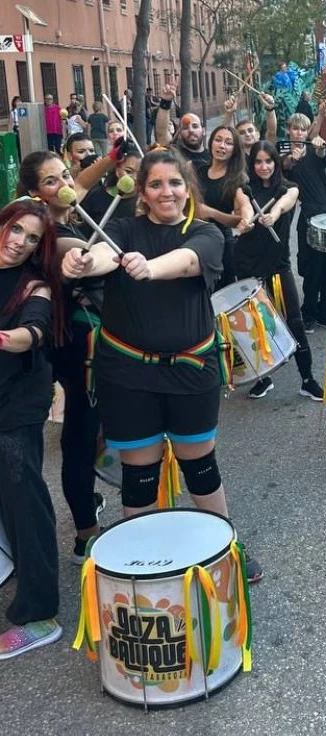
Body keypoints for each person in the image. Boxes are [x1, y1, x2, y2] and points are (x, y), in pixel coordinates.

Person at [60, 149, 263, 582]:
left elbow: (188, 262)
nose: (165, 191)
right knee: (140, 474)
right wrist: (81, 261)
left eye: (174, 183)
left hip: (191, 370)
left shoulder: (207, 232)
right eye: (155, 184)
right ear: (143, 193)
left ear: (187, 190)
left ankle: (228, 548)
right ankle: (142, 565)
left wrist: (148, 267)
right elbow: (101, 255)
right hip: (128, 374)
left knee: (200, 467)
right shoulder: (122, 229)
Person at [16, 146, 132, 562]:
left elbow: (80, 184)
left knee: (89, 425)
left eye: (64, 174)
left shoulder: (62, 206)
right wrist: (98, 258)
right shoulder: (50, 229)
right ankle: (86, 532)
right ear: (35, 193)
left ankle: (91, 503)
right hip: (76, 342)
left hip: (79, 336)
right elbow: (78, 255)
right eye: (52, 180)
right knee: (81, 430)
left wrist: (111, 155)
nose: (65, 184)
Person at [0, 198, 65, 658]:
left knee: (24, 495)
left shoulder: (35, 286)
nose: (19, 243)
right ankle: (20, 564)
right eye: (15, 230)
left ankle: (41, 611)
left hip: (19, 399)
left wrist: (5, 337)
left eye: (31, 239)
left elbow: (34, 332)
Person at [234, 140, 324, 401]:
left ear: (276, 163)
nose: (264, 167)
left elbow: (285, 203)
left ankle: (307, 379)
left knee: (294, 320)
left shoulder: (290, 187)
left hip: (277, 265)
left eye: (269, 161)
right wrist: (248, 221)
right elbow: (246, 208)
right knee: (255, 324)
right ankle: (264, 378)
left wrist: (272, 215)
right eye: (258, 162)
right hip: (248, 265)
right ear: (252, 164)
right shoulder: (244, 189)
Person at [281, 112, 326, 332]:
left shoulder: (316, 150)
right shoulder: (285, 154)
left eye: (303, 129)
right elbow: (286, 165)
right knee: (312, 267)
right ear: (288, 130)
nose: (299, 133)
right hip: (309, 215)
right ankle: (308, 313)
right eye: (295, 129)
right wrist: (292, 159)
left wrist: (319, 147)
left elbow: (323, 153)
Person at [196, 125, 254, 290]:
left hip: (220, 246)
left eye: (228, 143)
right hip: (195, 240)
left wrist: (211, 213)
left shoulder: (237, 179)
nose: (222, 146)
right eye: (218, 140)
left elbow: (244, 208)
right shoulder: (199, 170)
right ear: (211, 143)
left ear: (235, 149)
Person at [155, 83, 210, 168]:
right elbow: (161, 134)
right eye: (185, 128)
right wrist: (165, 101)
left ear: (203, 131)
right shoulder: (175, 155)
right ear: (179, 134)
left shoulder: (213, 157)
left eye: (195, 126)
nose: (191, 130)